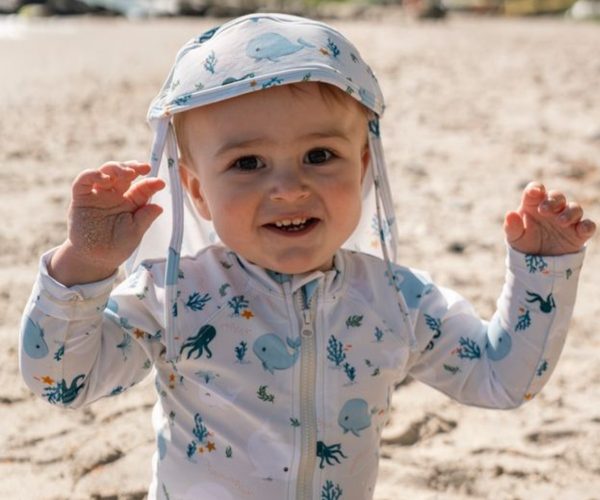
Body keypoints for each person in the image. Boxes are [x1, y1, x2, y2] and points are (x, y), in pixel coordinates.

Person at [19, 13, 595, 500]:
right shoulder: (174, 296)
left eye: (320, 155)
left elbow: (499, 378)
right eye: (247, 163)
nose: (290, 188)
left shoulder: (397, 300)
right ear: (197, 192)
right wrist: (85, 266)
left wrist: (542, 273)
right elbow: (62, 381)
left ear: (363, 166)